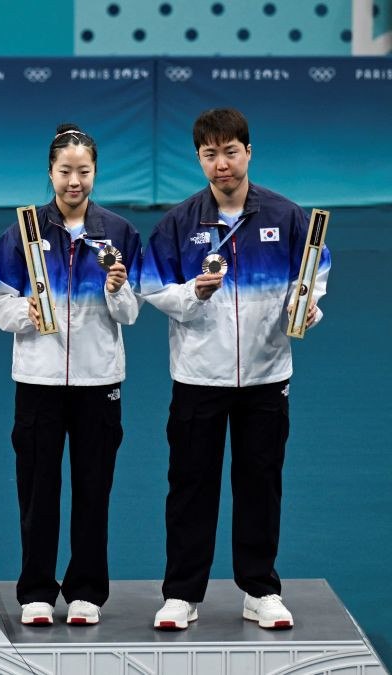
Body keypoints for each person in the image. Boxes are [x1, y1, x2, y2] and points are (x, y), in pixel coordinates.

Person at [142, 108, 329, 631]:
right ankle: (181, 594)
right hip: (199, 377)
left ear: (248, 152)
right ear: (199, 158)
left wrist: (307, 303)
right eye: (209, 154)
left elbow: (315, 271)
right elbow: (151, 285)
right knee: (190, 485)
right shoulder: (179, 223)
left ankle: (261, 589)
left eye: (230, 152)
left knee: (261, 484)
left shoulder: (286, 216)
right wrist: (190, 295)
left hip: (268, 377)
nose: (221, 164)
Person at [0, 124, 142, 626]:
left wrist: (117, 288)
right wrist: (24, 312)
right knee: (37, 490)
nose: (75, 181)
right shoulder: (22, 233)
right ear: (50, 172)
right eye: (65, 171)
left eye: (84, 171)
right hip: (38, 383)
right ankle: (35, 591)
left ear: (95, 172)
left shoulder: (119, 233)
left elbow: (131, 313)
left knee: (94, 490)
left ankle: (87, 591)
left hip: (100, 382)